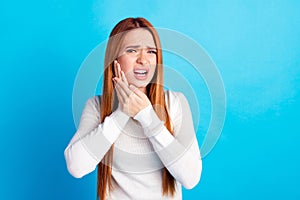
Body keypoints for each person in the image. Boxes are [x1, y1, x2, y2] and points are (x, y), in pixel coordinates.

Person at [64, 17, 202, 200]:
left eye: (150, 52)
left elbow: (190, 178)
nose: (143, 60)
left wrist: (147, 116)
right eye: (132, 50)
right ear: (115, 61)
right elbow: (76, 167)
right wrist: (122, 112)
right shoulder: (97, 106)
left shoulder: (175, 103)